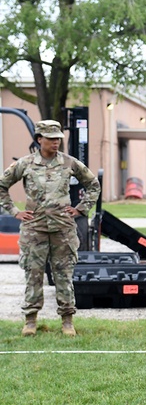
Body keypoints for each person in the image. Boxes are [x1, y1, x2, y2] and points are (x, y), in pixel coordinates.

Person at [0, 120, 100, 337]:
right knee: (33, 274)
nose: (56, 143)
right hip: (34, 228)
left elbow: (93, 184)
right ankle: (30, 320)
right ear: (39, 140)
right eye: (51, 139)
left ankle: (67, 320)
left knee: (63, 274)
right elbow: (2, 186)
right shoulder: (25, 164)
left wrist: (81, 209)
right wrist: (14, 211)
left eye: (58, 139)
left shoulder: (69, 163)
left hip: (62, 228)